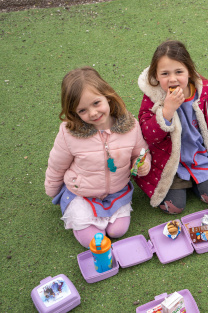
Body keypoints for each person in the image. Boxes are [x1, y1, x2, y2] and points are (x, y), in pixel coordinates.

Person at [45, 67, 151, 248]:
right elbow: (57, 164)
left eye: (96, 103)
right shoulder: (70, 133)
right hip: (82, 193)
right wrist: (52, 189)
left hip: (117, 191)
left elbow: (140, 152)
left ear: (107, 96)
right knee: (93, 241)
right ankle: (78, 214)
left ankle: (107, 216)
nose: (93, 113)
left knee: (118, 231)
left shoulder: (129, 125)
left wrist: (143, 164)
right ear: (73, 112)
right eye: (82, 110)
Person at [134, 40, 208, 214]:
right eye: (165, 73)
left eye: (179, 72)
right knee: (174, 208)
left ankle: (195, 180)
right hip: (170, 163)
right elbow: (148, 135)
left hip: (199, 156)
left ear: (190, 72)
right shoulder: (152, 98)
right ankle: (183, 183)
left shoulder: (206, 91)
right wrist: (167, 111)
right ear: (156, 75)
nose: (173, 79)